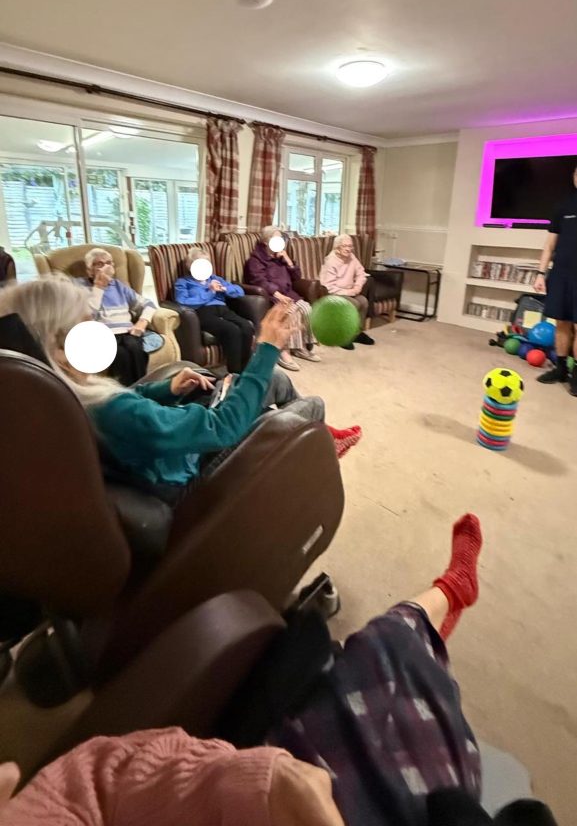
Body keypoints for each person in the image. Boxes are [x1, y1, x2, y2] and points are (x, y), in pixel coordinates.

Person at [0, 516, 557, 825]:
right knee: (384, 651)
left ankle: (441, 604)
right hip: (362, 787)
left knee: (378, 662)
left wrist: (254, 780)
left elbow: (102, 781)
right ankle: (446, 595)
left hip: (265, 789)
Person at [0, 277, 361, 502]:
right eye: (85, 325)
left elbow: (128, 403)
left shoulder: (66, 396)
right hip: (197, 469)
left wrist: (167, 390)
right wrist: (266, 349)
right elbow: (222, 429)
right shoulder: (114, 414)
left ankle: (324, 439)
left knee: (277, 381)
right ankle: (317, 455)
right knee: (310, 406)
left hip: (175, 448)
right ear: (57, 349)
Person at [79, 247, 157, 385]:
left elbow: (149, 304)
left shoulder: (119, 286)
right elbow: (86, 315)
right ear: (89, 270)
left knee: (136, 349)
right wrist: (99, 287)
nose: (106, 267)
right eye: (100, 264)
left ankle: (142, 390)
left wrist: (142, 322)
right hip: (101, 334)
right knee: (120, 356)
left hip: (127, 332)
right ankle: (127, 395)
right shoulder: (80, 286)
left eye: (109, 263)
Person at [245, 226, 320, 371]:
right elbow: (258, 280)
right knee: (291, 312)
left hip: (289, 293)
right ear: (266, 242)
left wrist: (288, 260)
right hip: (273, 296)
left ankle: (301, 346)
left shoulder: (280, 257)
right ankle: (284, 351)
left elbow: (296, 277)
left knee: (307, 309)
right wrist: (277, 294)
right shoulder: (256, 260)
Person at [174, 246, 255, 373]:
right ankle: (234, 373)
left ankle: (245, 369)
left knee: (246, 327)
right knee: (232, 330)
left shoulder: (216, 279)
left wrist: (225, 289)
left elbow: (240, 291)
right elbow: (183, 302)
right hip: (203, 312)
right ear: (191, 266)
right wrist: (210, 292)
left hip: (223, 309)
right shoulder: (183, 282)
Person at [534, 163, 577, 396]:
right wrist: (541, 273)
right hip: (561, 273)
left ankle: (576, 375)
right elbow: (550, 245)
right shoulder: (563, 206)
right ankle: (560, 369)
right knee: (561, 322)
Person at [320, 235, 375, 348]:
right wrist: (349, 292)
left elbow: (361, 273)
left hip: (350, 291)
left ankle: (356, 333)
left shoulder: (352, 257)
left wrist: (358, 287)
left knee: (363, 301)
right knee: (353, 304)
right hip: (333, 293)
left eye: (350, 246)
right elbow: (328, 287)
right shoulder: (331, 261)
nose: (348, 249)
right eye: (344, 246)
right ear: (337, 248)